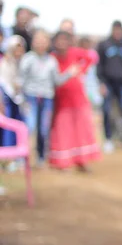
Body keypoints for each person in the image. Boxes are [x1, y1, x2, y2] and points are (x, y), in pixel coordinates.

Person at [18, 30, 78, 166]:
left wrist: (69, 73)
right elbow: (21, 79)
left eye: (43, 41)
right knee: (30, 126)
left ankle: (41, 157)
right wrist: (21, 97)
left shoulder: (51, 60)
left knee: (43, 129)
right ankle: (22, 157)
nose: (40, 43)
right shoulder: (28, 59)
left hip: (46, 99)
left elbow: (57, 80)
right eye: (38, 40)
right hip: (30, 97)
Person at [50, 31, 100, 171]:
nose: (62, 43)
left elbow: (90, 58)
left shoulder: (75, 52)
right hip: (62, 101)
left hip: (78, 98)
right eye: (59, 40)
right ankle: (63, 162)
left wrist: (81, 70)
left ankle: (82, 161)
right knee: (64, 130)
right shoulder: (52, 58)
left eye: (64, 40)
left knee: (81, 131)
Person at [96, 20, 122, 153]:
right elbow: (99, 65)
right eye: (115, 30)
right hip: (108, 83)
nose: (117, 32)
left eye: (120, 30)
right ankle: (108, 139)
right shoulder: (104, 44)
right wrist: (101, 82)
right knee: (106, 111)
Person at [78, 37, 102, 108]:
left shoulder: (93, 53)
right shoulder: (78, 53)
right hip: (82, 81)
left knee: (95, 104)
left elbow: (96, 67)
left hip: (92, 82)